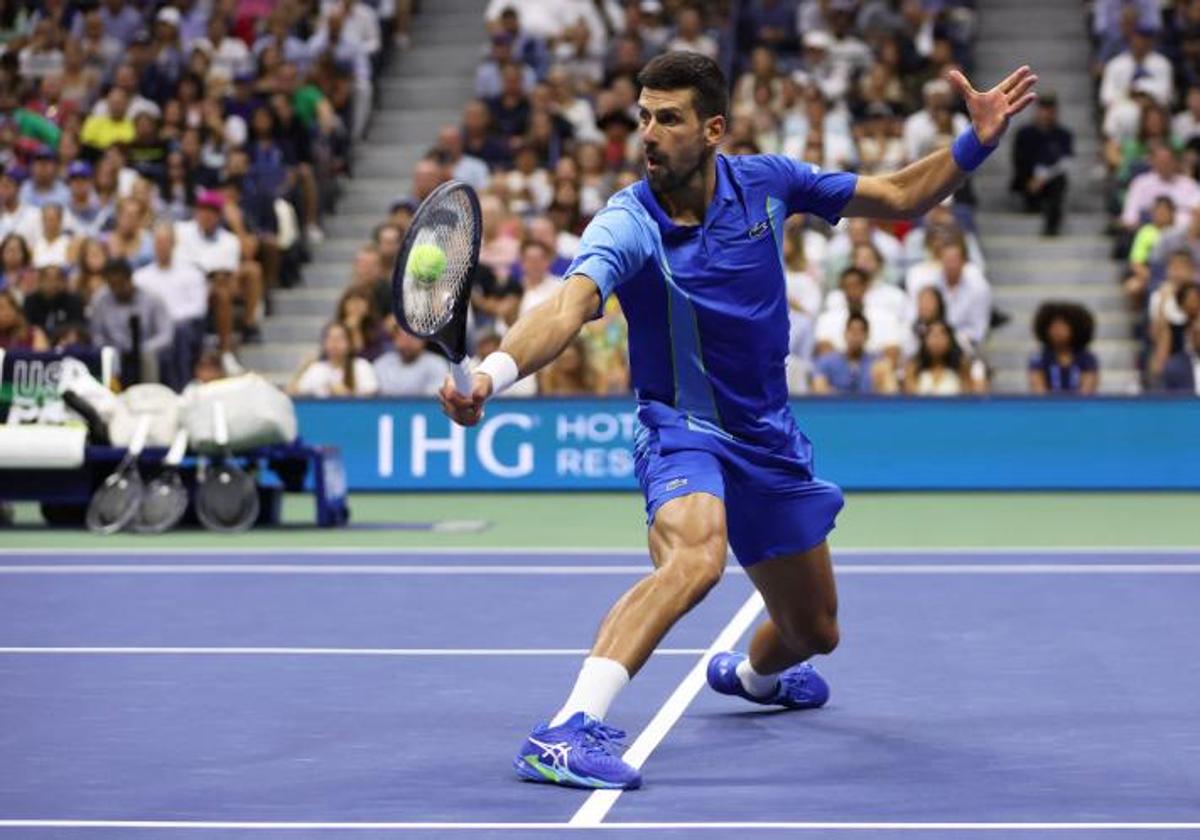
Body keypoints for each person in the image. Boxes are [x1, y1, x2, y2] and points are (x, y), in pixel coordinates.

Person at [438, 51, 1037, 789]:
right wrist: (492, 375)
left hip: (768, 438)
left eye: (669, 118)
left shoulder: (770, 184)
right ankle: (566, 731)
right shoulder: (630, 221)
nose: (649, 134)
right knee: (696, 559)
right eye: (644, 117)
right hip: (681, 428)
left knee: (815, 631)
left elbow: (899, 195)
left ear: (713, 128)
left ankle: (753, 679)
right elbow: (569, 305)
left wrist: (974, 141)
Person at [1011, 91, 1072, 236]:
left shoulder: (1063, 134)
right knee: (1024, 172)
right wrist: (1032, 180)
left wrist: (1042, 178)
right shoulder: (1024, 133)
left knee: (1059, 182)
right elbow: (1018, 160)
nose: (1046, 115)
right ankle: (1031, 203)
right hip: (1027, 180)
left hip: (1050, 181)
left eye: (1050, 111)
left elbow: (1065, 162)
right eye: (1043, 110)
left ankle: (1051, 225)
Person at [289, 321, 379, 398]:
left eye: (340, 338)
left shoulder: (361, 366)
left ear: (350, 344)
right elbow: (292, 392)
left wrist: (348, 394)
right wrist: (303, 368)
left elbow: (372, 396)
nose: (334, 343)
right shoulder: (317, 369)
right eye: (330, 338)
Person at [811, 313, 893, 394]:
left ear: (867, 336)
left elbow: (890, 392)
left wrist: (878, 384)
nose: (855, 337)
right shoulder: (826, 362)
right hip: (835, 406)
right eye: (852, 331)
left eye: (860, 332)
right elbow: (819, 389)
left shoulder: (878, 362)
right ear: (845, 334)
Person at [1028, 302, 1100, 394]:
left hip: (1079, 406)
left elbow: (1087, 391)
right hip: (1048, 407)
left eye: (1063, 327)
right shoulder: (1039, 358)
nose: (1058, 332)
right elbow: (1038, 391)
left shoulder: (1087, 358)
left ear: (1075, 328)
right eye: (1053, 327)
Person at [373, 320, 450, 396]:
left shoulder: (437, 364)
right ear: (394, 339)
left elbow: (433, 401)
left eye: (413, 336)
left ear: (424, 338)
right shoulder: (380, 364)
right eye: (403, 336)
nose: (407, 342)